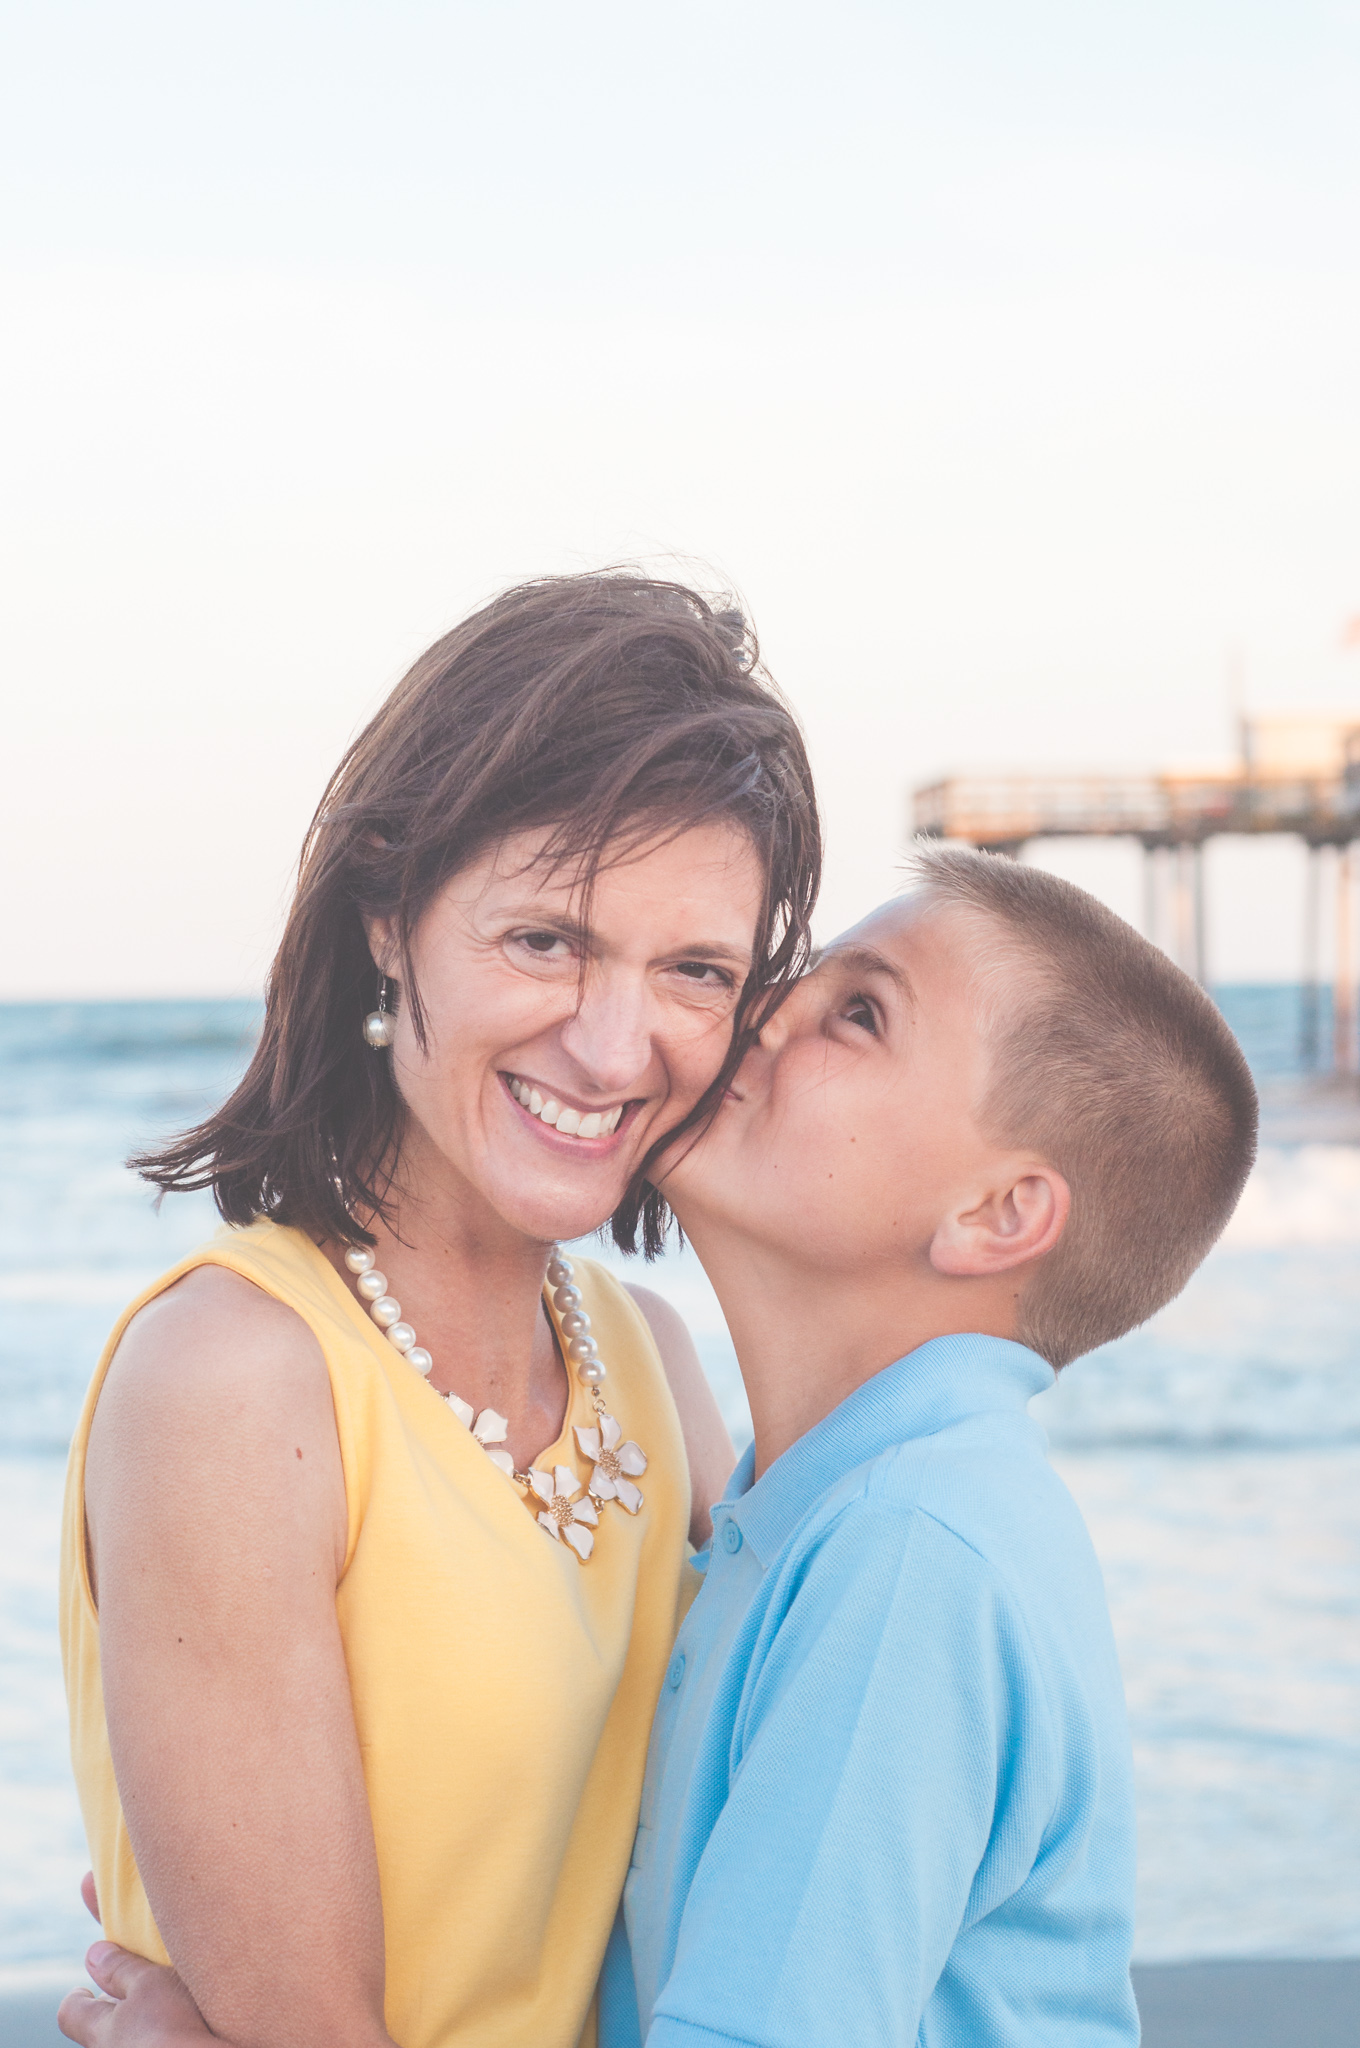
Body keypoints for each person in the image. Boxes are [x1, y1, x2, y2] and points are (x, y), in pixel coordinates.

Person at [58, 571, 821, 2048]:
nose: (615, 1048)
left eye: (695, 972)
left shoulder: (655, 1364)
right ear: (389, 917)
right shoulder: (235, 1382)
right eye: (549, 941)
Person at [595, 844, 1258, 2046]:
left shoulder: (906, 1553)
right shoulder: (831, 1502)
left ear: (995, 1214)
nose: (757, 1005)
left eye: (857, 1012)